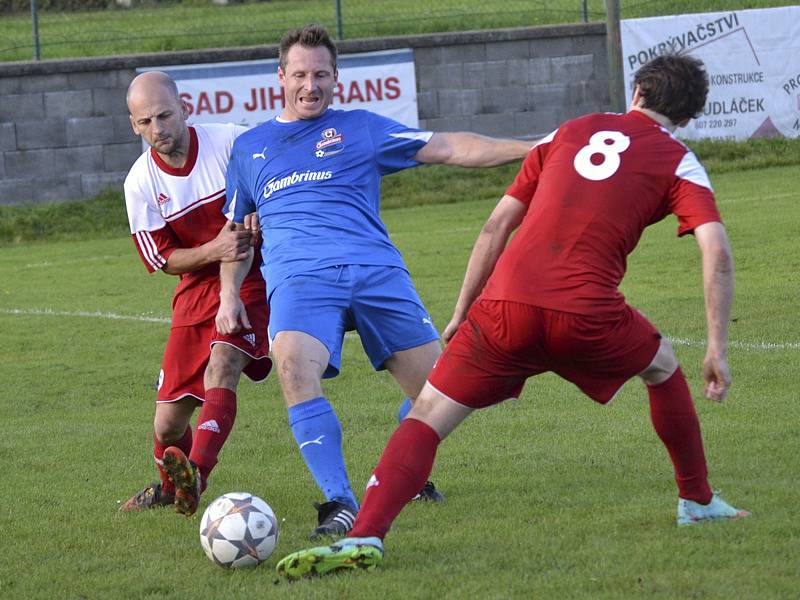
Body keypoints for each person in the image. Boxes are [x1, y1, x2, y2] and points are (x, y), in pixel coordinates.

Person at [274, 53, 751, 579]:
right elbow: (717, 251)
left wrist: (461, 313)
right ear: (686, 117)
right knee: (662, 366)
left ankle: (364, 535)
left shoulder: (571, 130)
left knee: (427, 414)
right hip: (586, 313)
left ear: (636, 91)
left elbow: (496, 226)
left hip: (504, 308)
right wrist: (716, 350)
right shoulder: (678, 157)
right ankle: (698, 500)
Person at [215, 24, 534, 539]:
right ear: (281, 77)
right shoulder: (250, 149)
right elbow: (235, 236)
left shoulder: (361, 128)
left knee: (449, 391)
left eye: (321, 74)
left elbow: (449, 146)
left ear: (336, 78)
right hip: (301, 278)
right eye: (300, 74)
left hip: (377, 272)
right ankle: (340, 502)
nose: (310, 85)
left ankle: (398, 474)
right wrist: (229, 294)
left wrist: (535, 148)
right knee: (293, 365)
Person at [120, 71, 271, 517]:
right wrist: (213, 249)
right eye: (146, 121)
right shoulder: (140, 183)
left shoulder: (230, 143)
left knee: (222, 364)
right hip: (195, 288)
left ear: (184, 106)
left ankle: (197, 477)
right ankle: (170, 487)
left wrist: (264, 207)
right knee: (167, 426)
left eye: (165, 115)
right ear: (134, 125)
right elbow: (162, 259)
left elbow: (275, 176)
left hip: (254, 276)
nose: (158, 129)